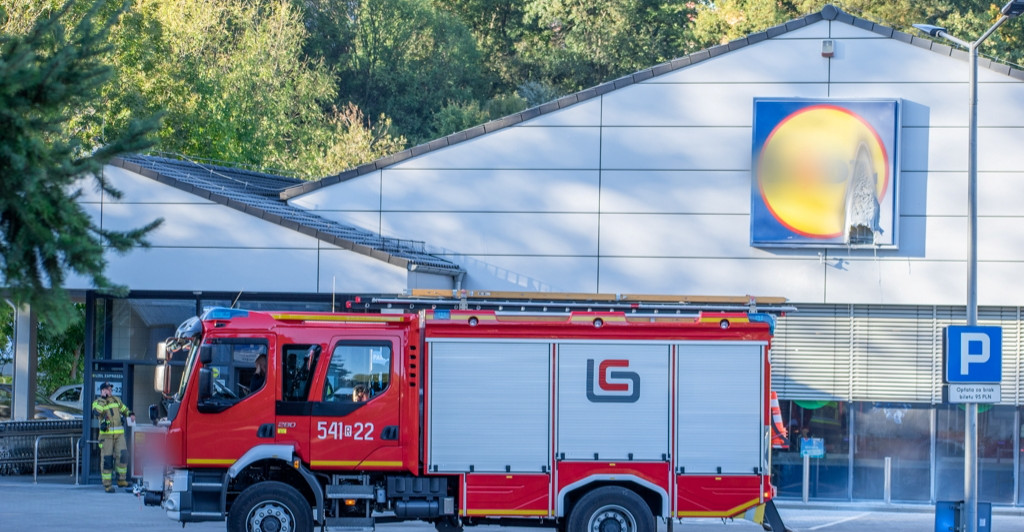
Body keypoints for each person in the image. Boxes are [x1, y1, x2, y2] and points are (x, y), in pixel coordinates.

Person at [91, 382, 134, 492]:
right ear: (102, 391)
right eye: (108, 389)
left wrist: (130, 414)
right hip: (106, 436)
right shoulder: (97, 402)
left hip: (119, 435)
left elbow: (125, 410)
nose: (110, 391)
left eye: (110, 389)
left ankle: (121, 480)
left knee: (123, 455)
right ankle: (107, 485)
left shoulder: (116, 400)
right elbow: (97, 412)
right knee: (107, 460)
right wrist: (103, 398)